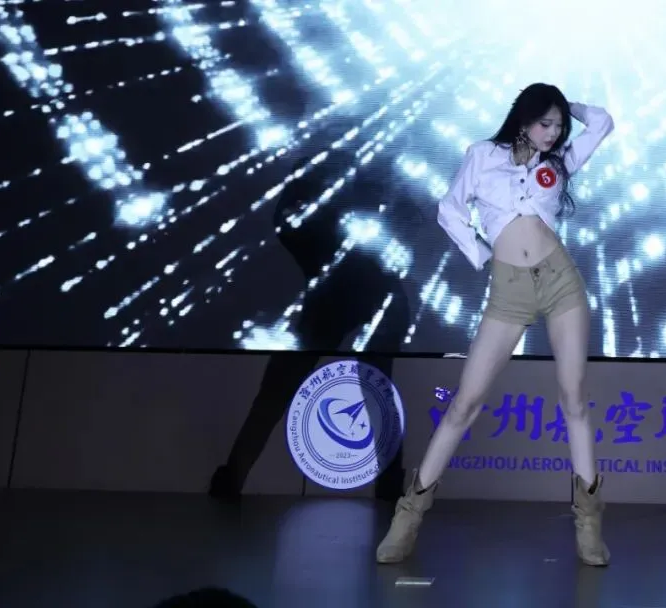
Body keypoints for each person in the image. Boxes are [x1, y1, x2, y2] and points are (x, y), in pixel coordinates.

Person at [375, 83, 615, 566]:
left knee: (573, 398)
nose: (553, 133)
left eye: (559, 125)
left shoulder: (559, 162)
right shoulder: (484, 156)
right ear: (524, 118)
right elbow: (450, 209)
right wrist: (482, 253)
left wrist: (568, 106)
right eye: (545, 123)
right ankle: (408, 515)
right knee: (464, 403)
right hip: (508, 292)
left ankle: (589, 525)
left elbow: (603, 122)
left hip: (561, 283)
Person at [209, 150, 411, 502]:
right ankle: (232, 478)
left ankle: (232, 479)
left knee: (368, 392)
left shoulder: (351, 200)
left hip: (366, 303)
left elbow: (404, 225)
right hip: (338, 305)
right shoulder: (328, 210)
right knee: (283, 389)